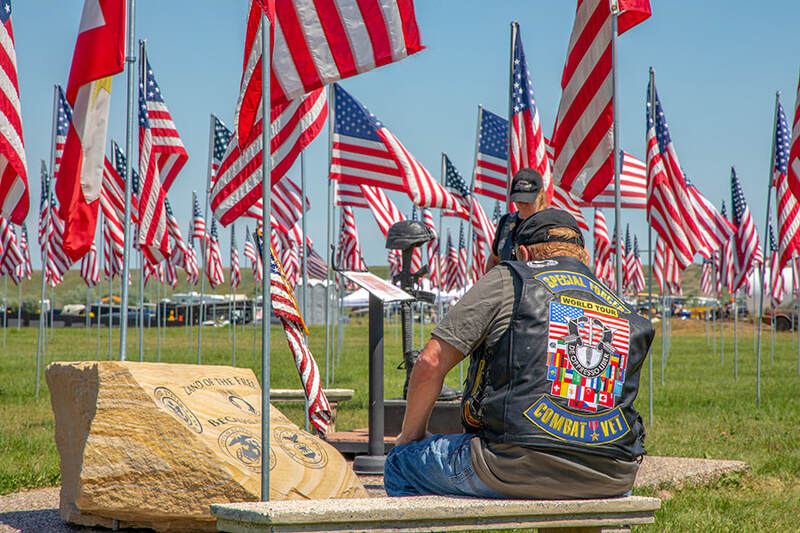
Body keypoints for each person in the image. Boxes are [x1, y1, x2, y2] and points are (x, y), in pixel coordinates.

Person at [384, 209, 654, 499]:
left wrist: (410, 437)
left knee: (400, 462)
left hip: (512, 465)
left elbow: (430, 361)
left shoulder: (510, 278)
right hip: (614, 475)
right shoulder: (622, 309)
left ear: (523, 253)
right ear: (584, 257)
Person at [485, 168, 548, 271]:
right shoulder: (506, 222)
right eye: (519, 200)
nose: (523, 204)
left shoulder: (551, 223)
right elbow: (494, 259)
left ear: (540, 195)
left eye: (527, 200)